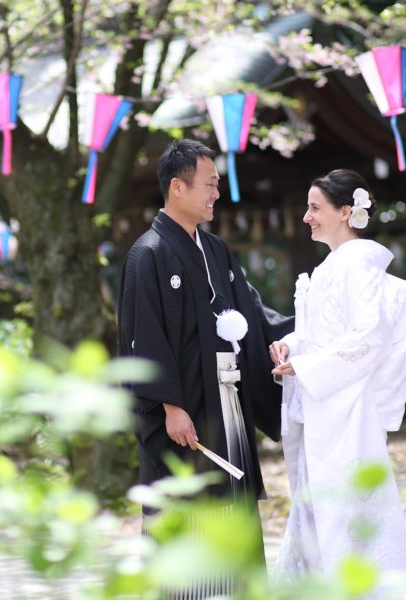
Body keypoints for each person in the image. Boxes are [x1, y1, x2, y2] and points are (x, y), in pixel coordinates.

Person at [117, 139, 292, 539]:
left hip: (227, 398)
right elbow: (143, 336)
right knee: (189, 502)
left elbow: (248, 309)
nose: (217, 193)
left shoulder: (214, 249)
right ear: (177, 187)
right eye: (209, 184)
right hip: (184, 407)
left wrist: (289, 337)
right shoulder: (148, 253)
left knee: (232, 493)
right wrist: (170, 405)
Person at [269, 169, 406, 589]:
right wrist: (291, 348)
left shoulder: (356, 265)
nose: (307, 217)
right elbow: (326, 334)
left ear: (345, 212)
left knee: (349, 514)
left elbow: (369, 338)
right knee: (324, 510)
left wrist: (308, 366)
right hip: (326, 406)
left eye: (315, 208)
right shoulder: (335, 266)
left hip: (348, 412)